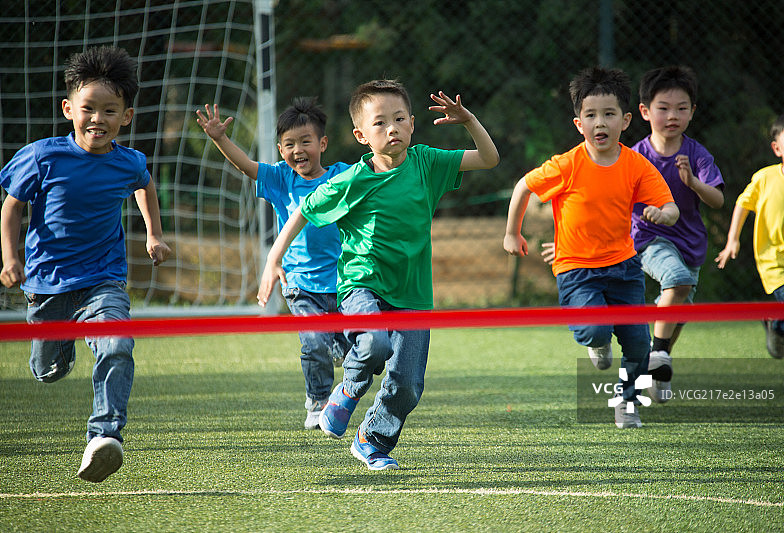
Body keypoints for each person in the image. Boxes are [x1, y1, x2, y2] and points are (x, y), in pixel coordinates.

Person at [260, 79, 499, 469]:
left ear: (412, 124)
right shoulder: (352, 180)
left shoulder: (427, 163)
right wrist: (274, 259)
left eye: (400, 119)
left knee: (409, 386)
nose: (392, 129)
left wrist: (469, 121)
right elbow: (304, 210)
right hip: (362, 285)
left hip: (413, 294)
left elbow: (488, 159)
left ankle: (371, 441)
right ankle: (348, 391)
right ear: (361, 136)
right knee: (374, 343)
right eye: (380, 122)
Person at [0, 46, 171, 482]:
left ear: (125, 117)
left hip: (103, 281)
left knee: (117, 345)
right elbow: (12, 207)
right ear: (68, 109)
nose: (98, 119)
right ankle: (61, 352)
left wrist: (153, 233)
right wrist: (10, 258)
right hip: (47, 285)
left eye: (109, 111)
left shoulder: (129, 162)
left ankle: (104, 436)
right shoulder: (42, 157)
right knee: (47, 371)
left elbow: (145, 185)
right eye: (88, 109)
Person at [504, 67, 678, 428]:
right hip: (576, 270)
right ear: (578, 123)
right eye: (591, 115)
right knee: (596, 330)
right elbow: (523, 187)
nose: (600, 123)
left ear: (625, 120)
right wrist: (511, 233)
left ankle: (626, 401)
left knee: (638, 345)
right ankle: (595, 340)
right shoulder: (567, 165)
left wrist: (664, 214)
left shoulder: (636, 165)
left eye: (609, 114)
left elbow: (670, 206)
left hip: (625, 268)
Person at [196, 97, 350, 430]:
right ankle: (318, 402)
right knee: (313, 342)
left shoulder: (341, 176)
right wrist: (220, 139)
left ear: (322, 144)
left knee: (355, 346)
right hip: (299, 282)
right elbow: (247, 166)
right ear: (281, 150)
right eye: (289, 144)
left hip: (343, 281)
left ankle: (339, 351)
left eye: (305, 141)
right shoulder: (281, 178)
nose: (298, 150)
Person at [630, 66, 725, 403]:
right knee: (678, 281)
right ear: (645, 111)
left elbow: (718, 200)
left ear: (692, 112)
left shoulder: (697, 155)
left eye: (681, 108)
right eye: (663, 108)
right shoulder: (635, 157)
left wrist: (693, 183)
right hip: (648, 237)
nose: (672, 116)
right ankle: (659, 353)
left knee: (679, 308)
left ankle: (656, 361)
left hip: (690, 243)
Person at [716, 107, 784, 393]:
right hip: (775, 262)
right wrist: (732, 240)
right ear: (777, 148)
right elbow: (743, 204)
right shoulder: (765, 178)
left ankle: (776, 324)